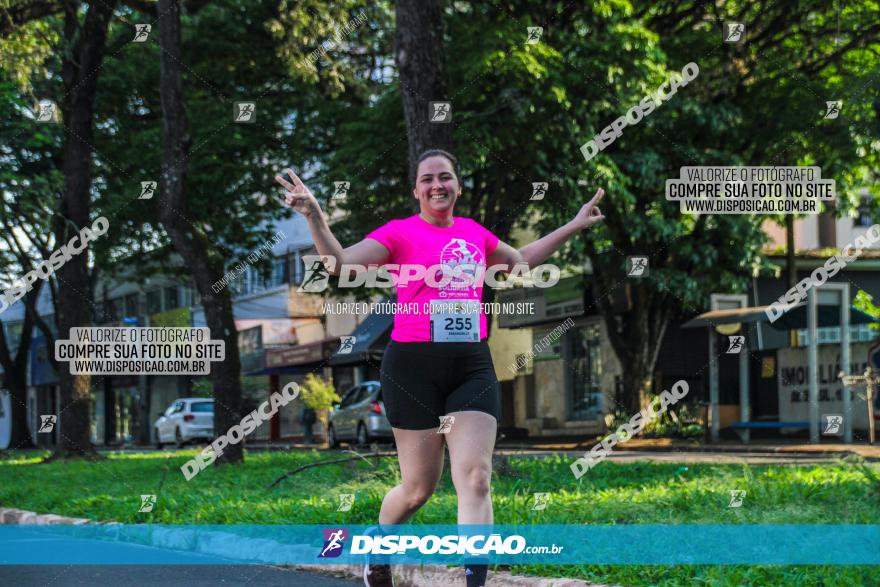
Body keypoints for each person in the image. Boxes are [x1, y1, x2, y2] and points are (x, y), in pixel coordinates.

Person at [275, 149, 605, 587]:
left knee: (476, 477)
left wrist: (574, 225)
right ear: (416, 190)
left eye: (445, 177)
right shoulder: (399, 234)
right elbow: (339, 265)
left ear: (458, 186)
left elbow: (521, 261)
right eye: (427, 178)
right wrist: (315, 214)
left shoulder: (474, 233)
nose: (437, 185)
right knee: (418, 489)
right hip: (412, 368)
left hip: (470, 363)